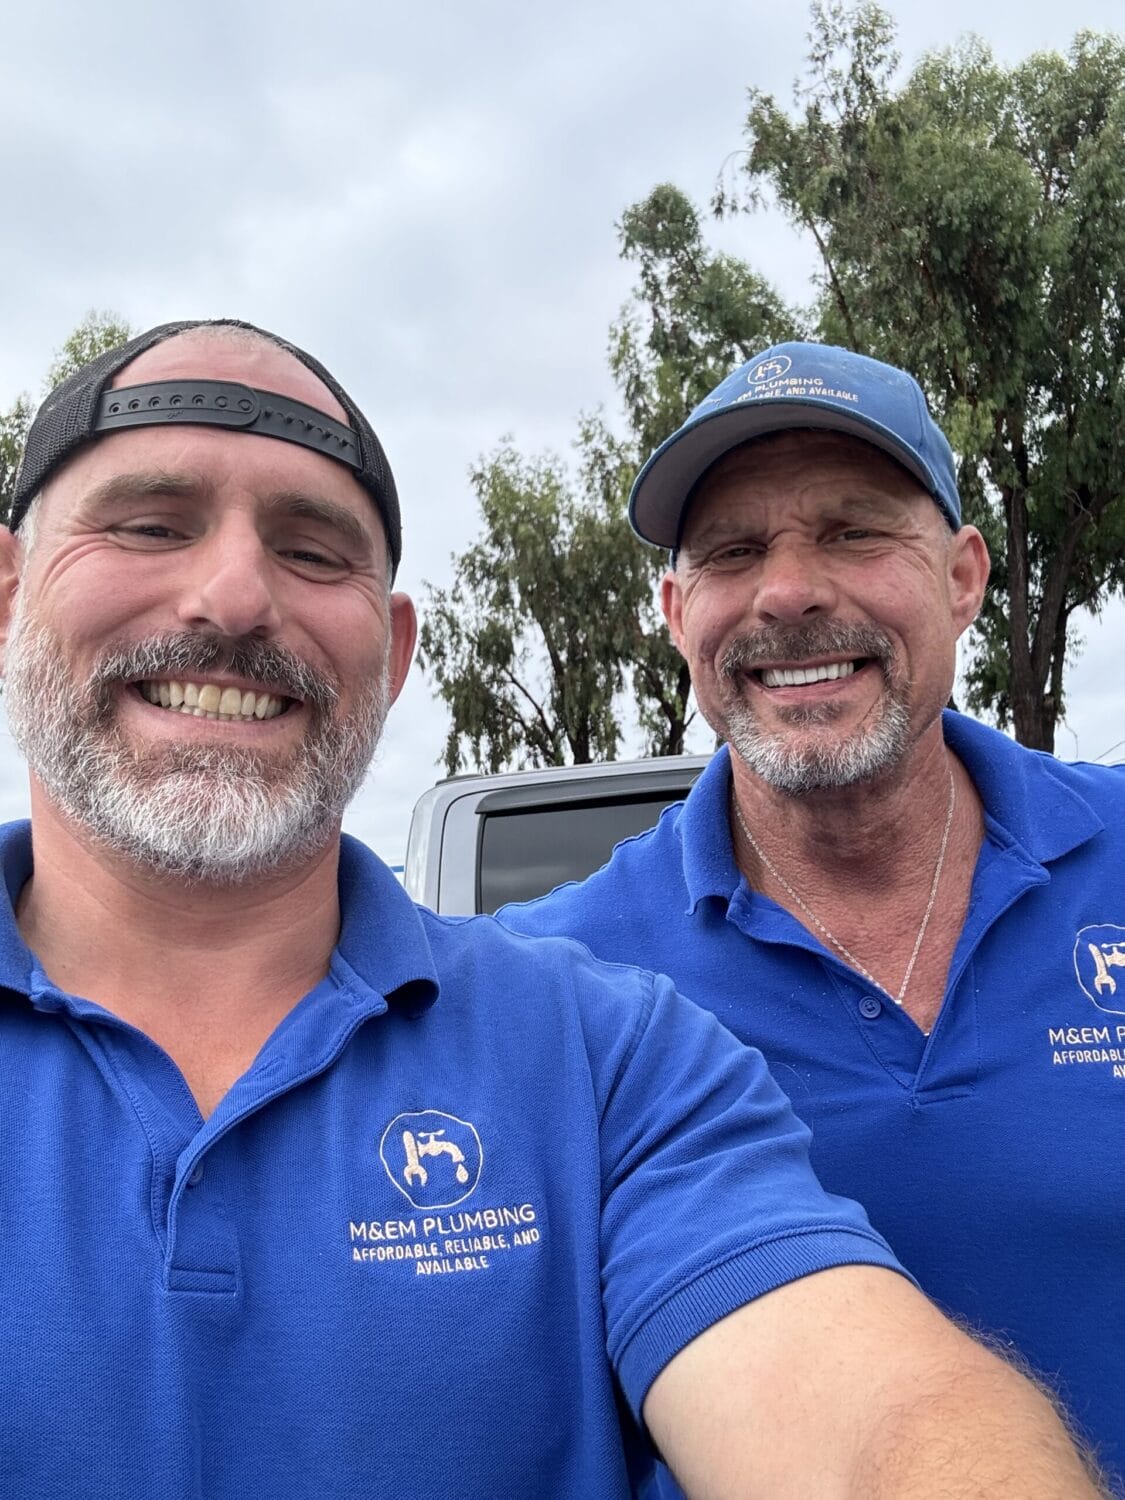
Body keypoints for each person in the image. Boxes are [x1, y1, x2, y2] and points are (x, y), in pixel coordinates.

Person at [0, 322, 1107, 1500]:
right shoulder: (593, 965)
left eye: (315, 551)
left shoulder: (608, 1055)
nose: (229, 596)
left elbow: (868, 1422)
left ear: (392, 649)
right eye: (149, 525)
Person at [498, 339, 1125, 1492]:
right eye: (734, 551)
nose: (788, 590)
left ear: (963, 575)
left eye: (852, 531)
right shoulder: (555, 988)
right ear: (679, 612)